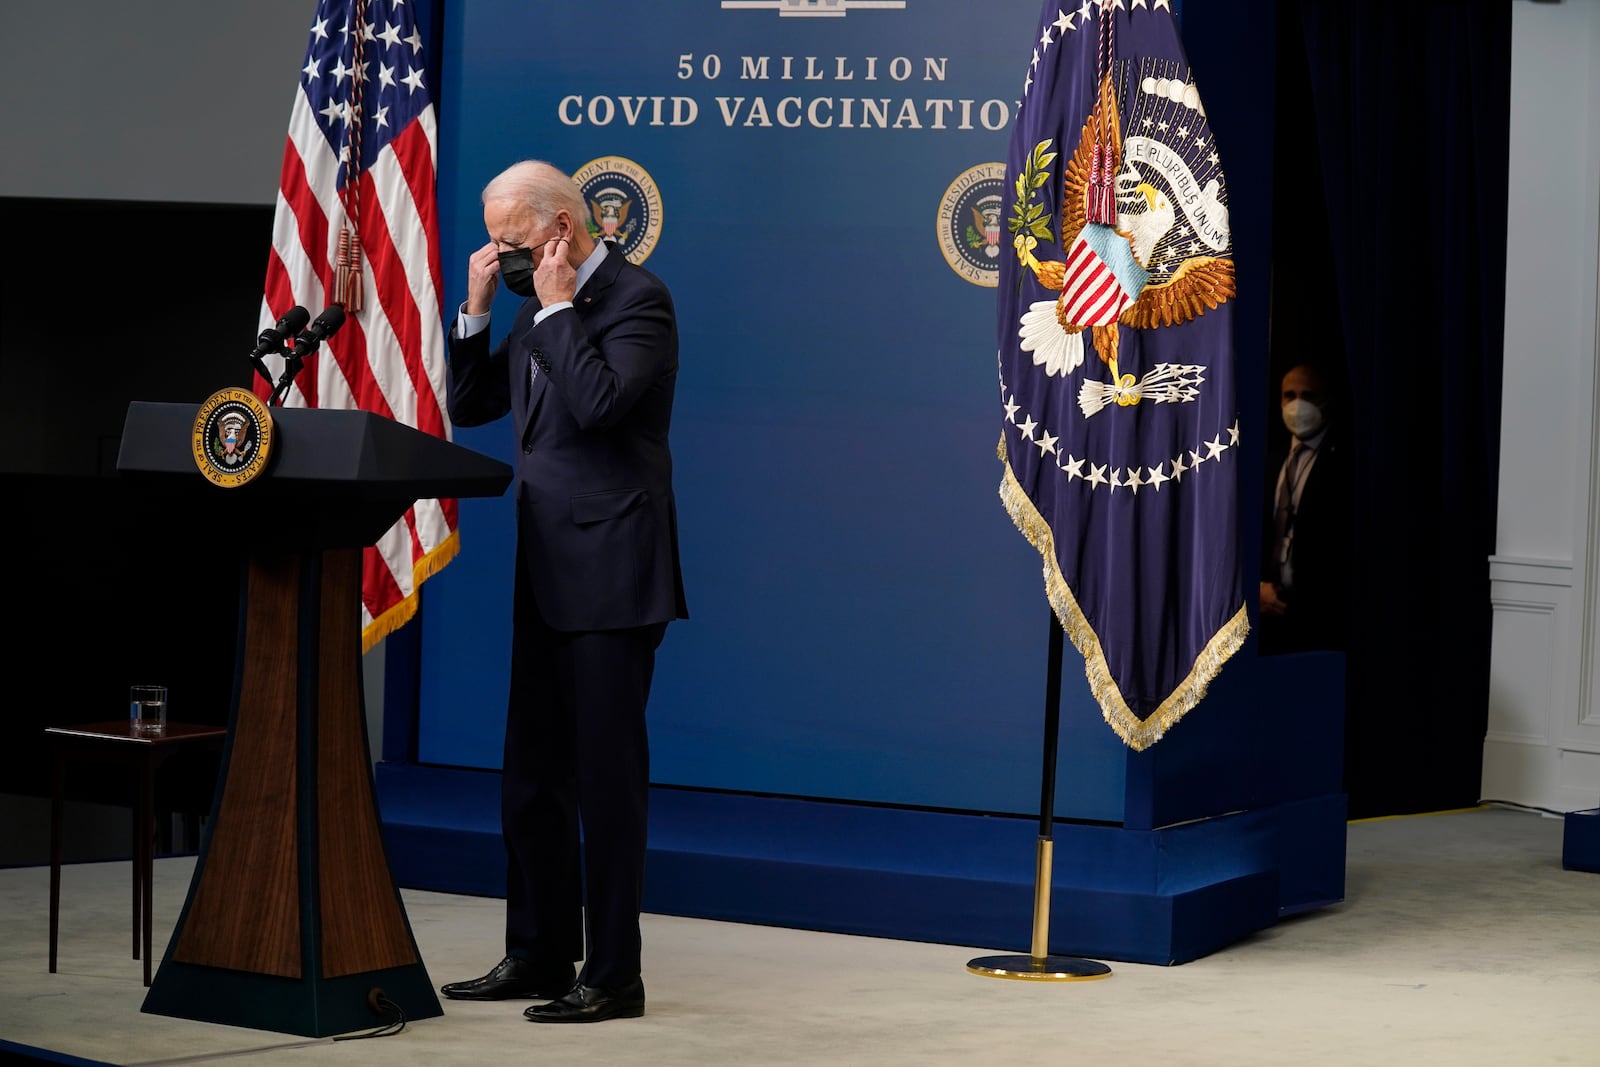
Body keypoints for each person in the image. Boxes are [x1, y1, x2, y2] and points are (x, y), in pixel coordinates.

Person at [438, 159, 688, 1024]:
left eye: (509, 243)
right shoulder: (536, 311)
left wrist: (546, 308)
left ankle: (614, 972)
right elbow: (470, 404)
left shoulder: (636, 301)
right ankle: (540, 951)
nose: (499, 256)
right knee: (532, 778)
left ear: (561, 232)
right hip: (545, 572)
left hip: (615, 576)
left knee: (607, 781)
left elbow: (598, 405)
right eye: (493, 242)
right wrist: (476, 311)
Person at [1258, 361, 1351, 655]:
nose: (1298, 405)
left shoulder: (1345, 464)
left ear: (1327, 400)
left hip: (1320, 623)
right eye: (1290, 395)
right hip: (1265, 615)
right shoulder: (1269, 461)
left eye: (1308, 396)